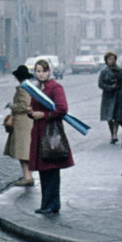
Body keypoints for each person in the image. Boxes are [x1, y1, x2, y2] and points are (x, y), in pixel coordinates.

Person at [27, 58, 73, 214]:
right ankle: (47, 203)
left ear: (49, 71)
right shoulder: (37, 88)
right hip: (39, 132)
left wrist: (44, 115)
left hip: (51, 132)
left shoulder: (55, 87)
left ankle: (51, 203)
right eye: (38, 71)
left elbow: (62, 109)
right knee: (43, 170)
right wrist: (31, 113)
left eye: (44, 71)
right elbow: (34, 108)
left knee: (51, 169)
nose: (41, 74)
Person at [3, 64, 35, 186]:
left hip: (23, 124)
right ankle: (28, 176)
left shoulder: (23, 89)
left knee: (23, 152)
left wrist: (12, 106)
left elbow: (25, 105)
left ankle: (28, 177)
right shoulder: (29, 87)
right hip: (25, 123)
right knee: (24, 152)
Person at [97, 51, 122, 144]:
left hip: (118, 96)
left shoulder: (120, 70)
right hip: (108, 97)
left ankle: (115, 134)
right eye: (110, 59)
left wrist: (120, 88)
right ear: (106, 60)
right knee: (109, 117)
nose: (112, 61)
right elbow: (100, 84)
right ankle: (112, 133)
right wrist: (110, 87)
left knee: (117, 116)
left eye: (113, 59)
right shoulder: (104, 71)